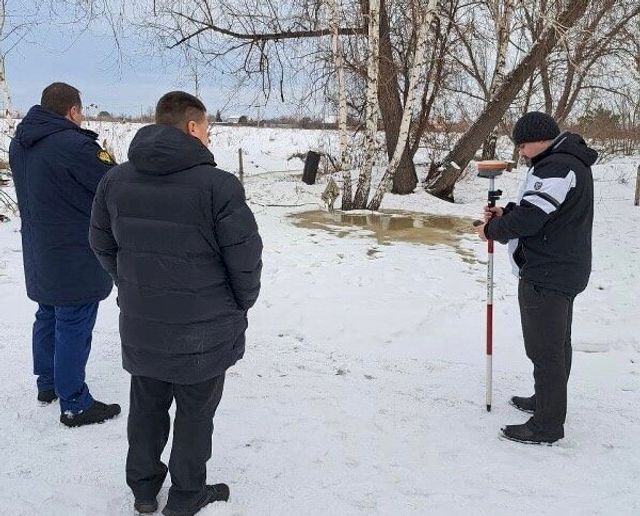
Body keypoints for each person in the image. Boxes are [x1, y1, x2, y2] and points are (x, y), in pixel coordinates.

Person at [89, 91, 263, 516]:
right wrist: (240, 304)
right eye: (207, 128)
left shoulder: (115, 180)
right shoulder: (219, 186)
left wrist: (131, 285)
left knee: (146, 405)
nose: (209, 136)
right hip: (204, 327)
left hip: (143, 320)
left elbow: (101, 242)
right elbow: (245, 259)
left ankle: (144, 489)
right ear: (192, 126)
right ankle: (186, 494)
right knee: (195, 412)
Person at [475, 111, 597, 444]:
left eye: (522, 145)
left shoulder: (556, 166)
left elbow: (531, 221)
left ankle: (546, 425)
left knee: (545, 351)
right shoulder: (566, 161)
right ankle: (546, 401)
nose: (521, 152)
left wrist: (491, 230)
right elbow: (543, 212)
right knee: (556, 345)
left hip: (547, 273)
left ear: (539, 139)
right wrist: (507, 213)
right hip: (562, 267)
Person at [9, 82, 121, 427]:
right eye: (80, 112)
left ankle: (48, 383)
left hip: (39, 248)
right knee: (74, 320)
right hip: (74, 250)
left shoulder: (21, 143)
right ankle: (75, 403)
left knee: (48, 313)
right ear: (73, 111)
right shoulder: (76, 146)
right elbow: (113, 184)